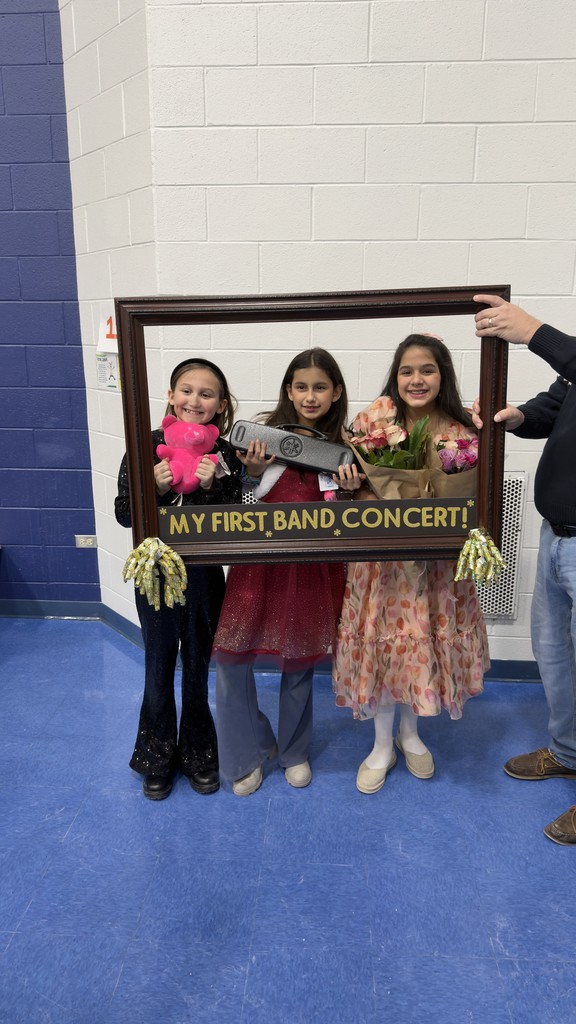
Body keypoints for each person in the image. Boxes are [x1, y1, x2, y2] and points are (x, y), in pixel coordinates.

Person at [333, 334, 490, 793]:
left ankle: (411, 734)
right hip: (381, 562)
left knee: (420, 641)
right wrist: (353, 489)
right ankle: (382, 743)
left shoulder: (463, 431)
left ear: (443, 376)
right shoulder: (373, 420)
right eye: (407, 370)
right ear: (395, 376)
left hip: (436, 567)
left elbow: (474, 497)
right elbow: (354, 486)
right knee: (385, 641)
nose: (416, 379)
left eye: (427, 370)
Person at [213, 348, 362, 796]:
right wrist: (249, 474)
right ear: (288, 390)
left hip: (313, 568)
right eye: (301, 386)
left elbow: (350, 524)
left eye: (320, 387)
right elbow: (241, 512)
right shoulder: (261, 437)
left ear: (336, 392)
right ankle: (249, 751)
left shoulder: (349, 447)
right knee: (230, 658)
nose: (310, 396)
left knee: (298, 661)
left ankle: (295, 751)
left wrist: (353, 495)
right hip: (258, 567)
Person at [473, 293, 576, 846]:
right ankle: (567, 753)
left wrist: (533, 332)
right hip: (557, 535)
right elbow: (561, 399)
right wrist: (519, 417)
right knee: (555, 656)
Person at [115, 358, 242, 800]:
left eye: (207, 394)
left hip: (205, 577)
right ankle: (156, 757)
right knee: (158, 665)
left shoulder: (224, 453)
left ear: (221, 405)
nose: (195, 400)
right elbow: (124, 512)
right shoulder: (145, 445)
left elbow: (234, 523)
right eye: (186, 391)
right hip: (156, 575)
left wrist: (211, 489)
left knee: (196, 667)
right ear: (170, 396)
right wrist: (155, 487)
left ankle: (198, 753)